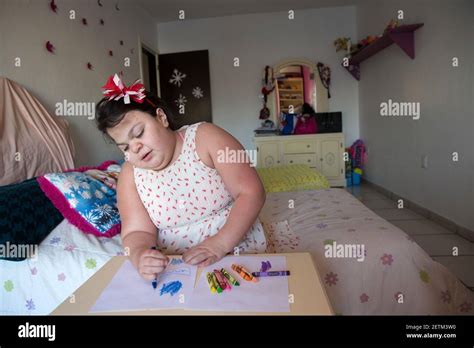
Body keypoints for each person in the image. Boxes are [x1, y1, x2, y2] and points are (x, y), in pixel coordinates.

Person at [95, 74, 267, 281]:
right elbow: (136, 231)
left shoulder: (206, 137)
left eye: (139, 133)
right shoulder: (130, 174)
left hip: (235, 246)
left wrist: (220, 244)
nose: (135, 148)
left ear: (161, 117)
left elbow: (251, 192)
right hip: (178, 267)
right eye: (125, 147)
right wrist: (140, 255)